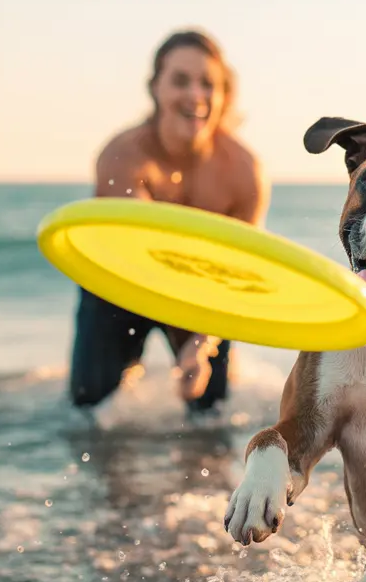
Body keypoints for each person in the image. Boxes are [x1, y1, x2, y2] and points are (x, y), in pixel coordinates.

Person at [69, 29, 270, 417]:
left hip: (202, 290)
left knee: (211, 415)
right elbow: (143, 256)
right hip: (120, 285)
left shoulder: (245, 172)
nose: (195, 95)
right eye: (180, 81)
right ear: (155, 88)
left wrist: (201, 342)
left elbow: (241, 273)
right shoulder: (123, 157)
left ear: (224, 95)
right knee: (90, 411)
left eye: (208, 84)